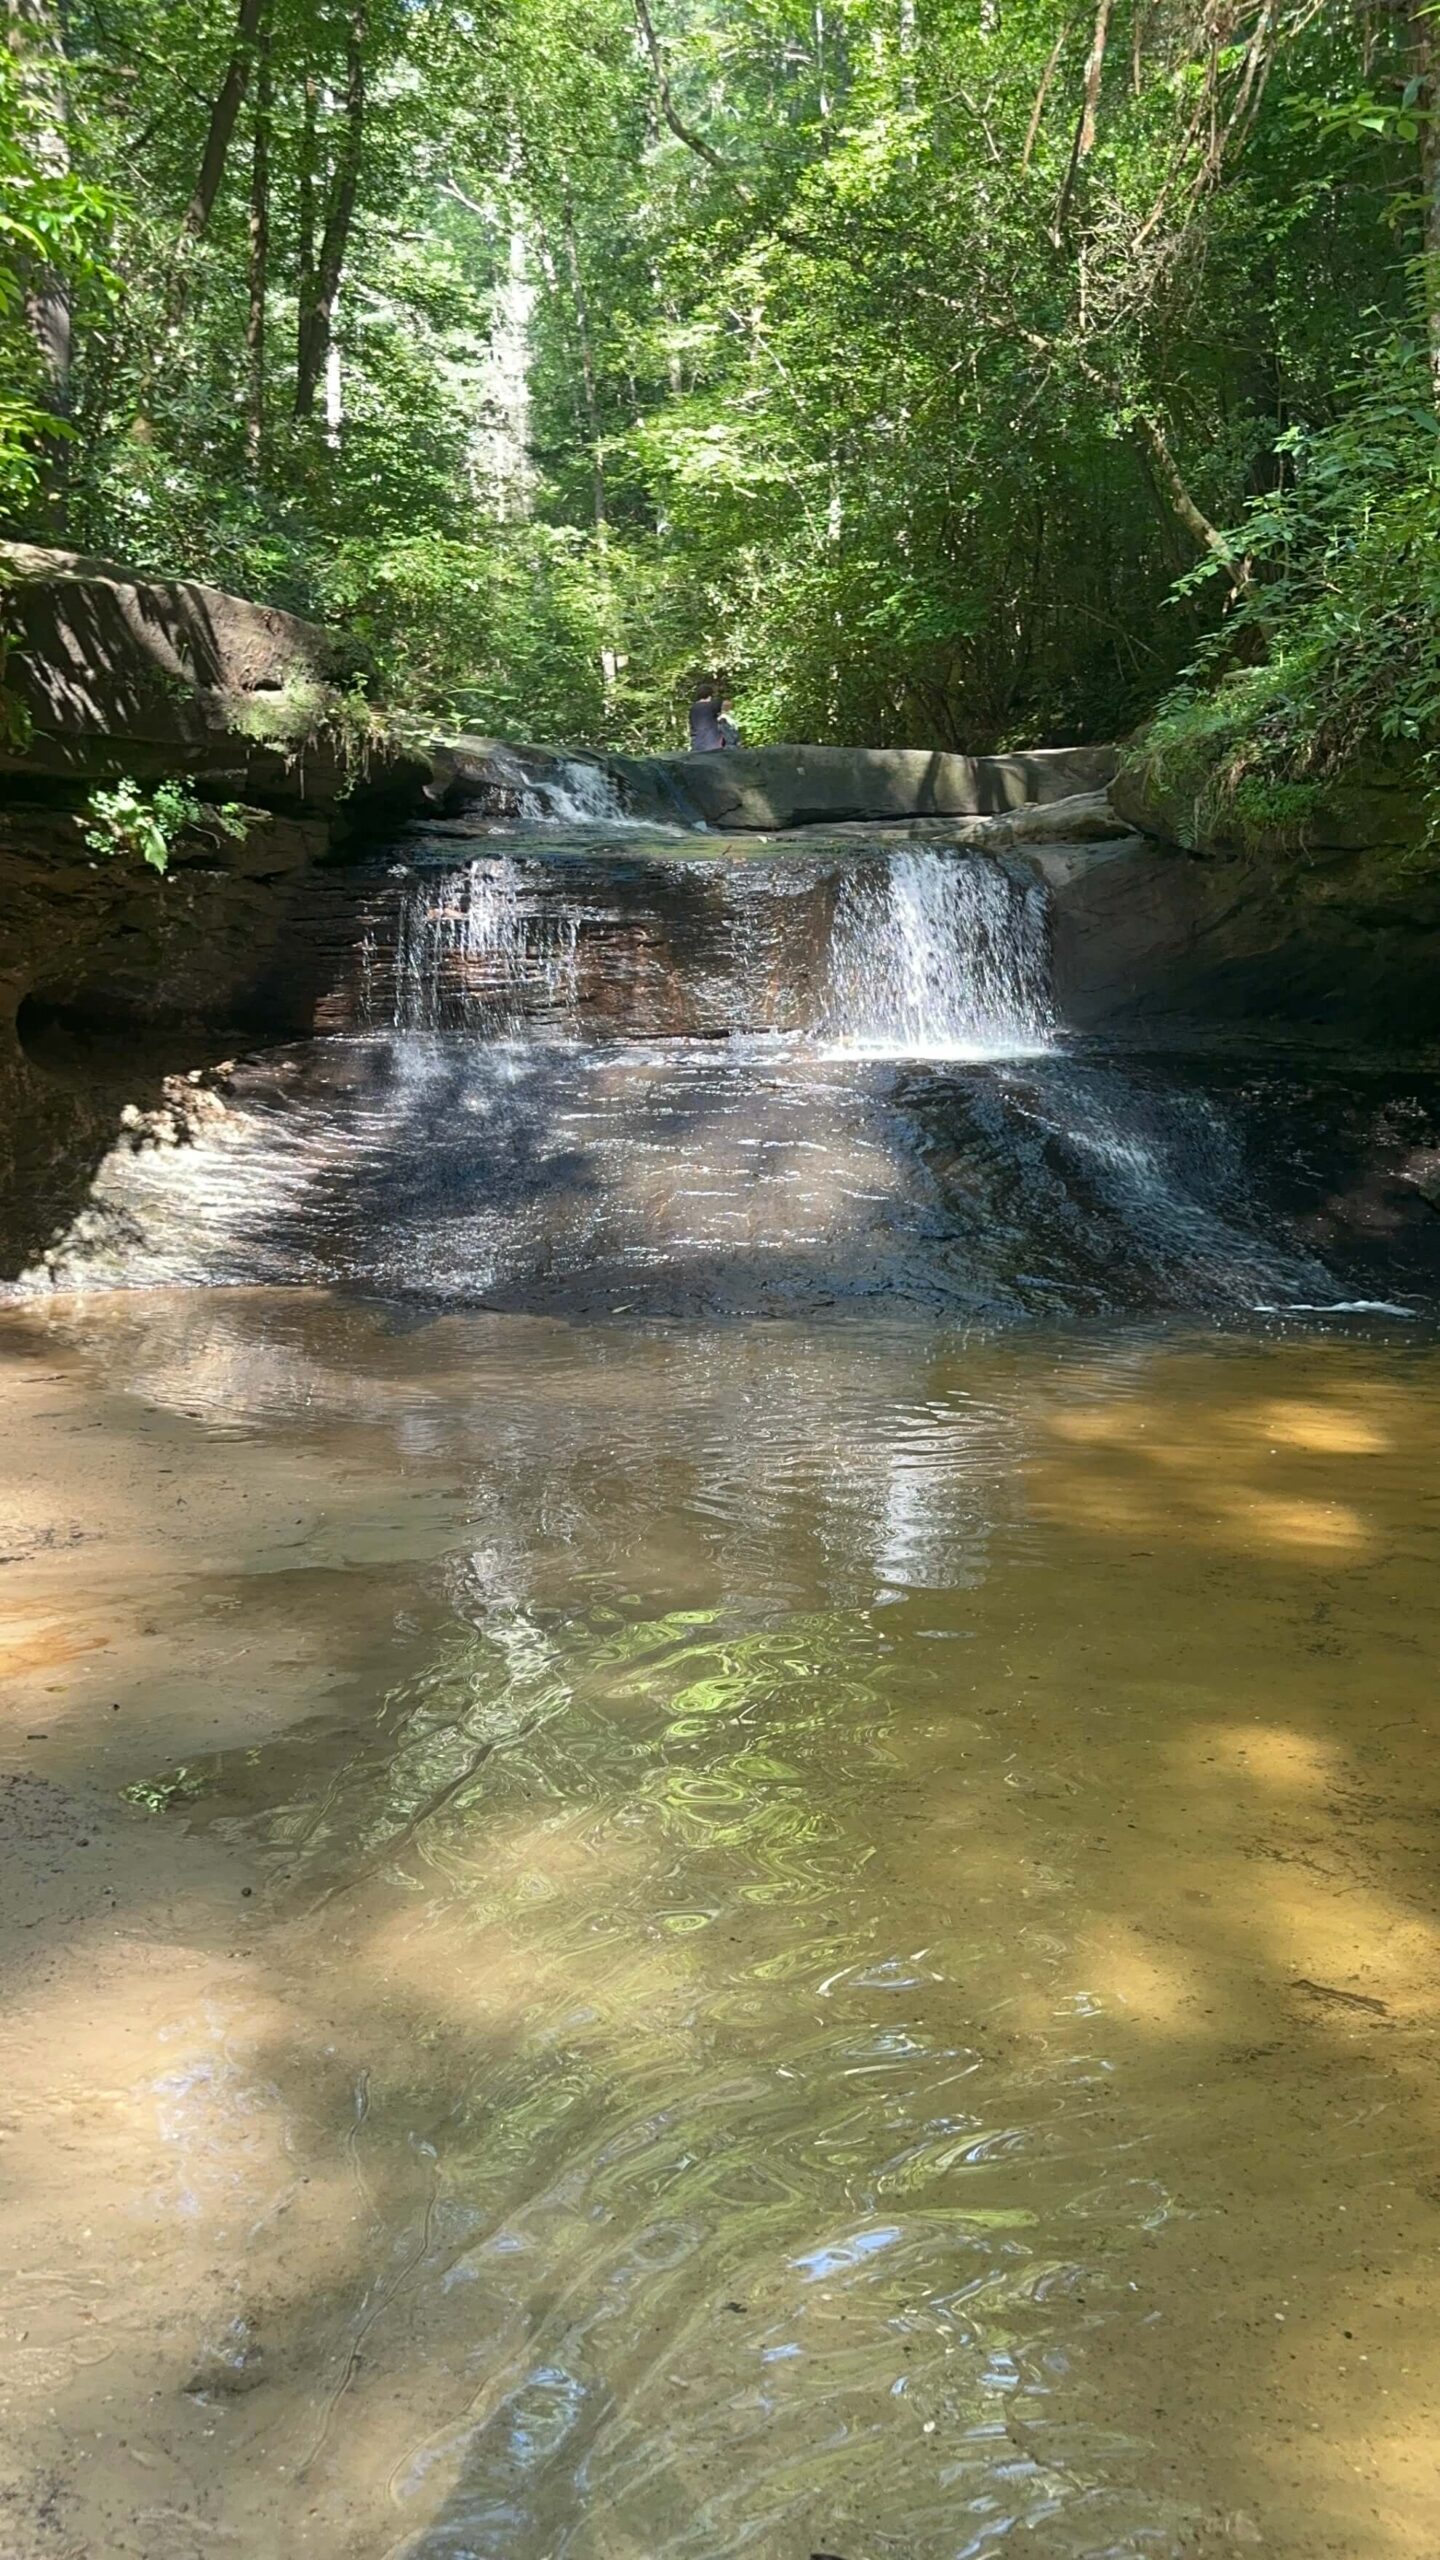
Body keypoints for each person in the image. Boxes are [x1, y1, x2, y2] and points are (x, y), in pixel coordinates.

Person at [688, 681, 725, 753]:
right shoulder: (713, 705)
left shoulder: (693, 708)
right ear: (710, 695)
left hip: (697, 743)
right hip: (712, 744)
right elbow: (722, 702)